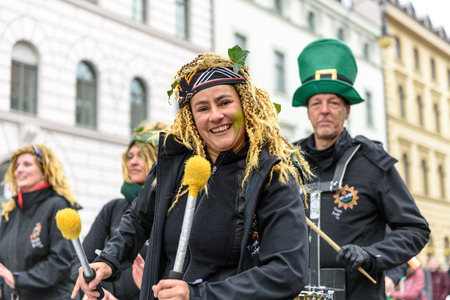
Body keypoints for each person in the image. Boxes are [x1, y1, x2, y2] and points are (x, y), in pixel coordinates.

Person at [72, 47, 311, 300]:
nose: (216, 116)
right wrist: (109, 261)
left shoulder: (273, 177)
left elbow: (287, 273)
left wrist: (197, 294)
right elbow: (139, 218)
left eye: (225, 102)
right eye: (203, 108)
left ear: (245, 105)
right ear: (191, 117)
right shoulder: (175, 163)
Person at [291, 38, 430, 300]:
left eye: (333, 103)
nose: (324, 111)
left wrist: (372, 255)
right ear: (308, 111)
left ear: (347, 110)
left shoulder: (373, 163)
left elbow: (415, 230)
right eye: (316, 103)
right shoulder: (288, 163)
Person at [74, 121, 168, 299]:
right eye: (130, 156)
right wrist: (93, 291)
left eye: (142, 155)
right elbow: (82, 261)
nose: (133, 161)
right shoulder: (113, 209)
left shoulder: (169, 210)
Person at [0, 144, 81, 299]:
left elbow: (61, 262)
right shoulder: (9, 213)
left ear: (45, 170)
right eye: (17, 166)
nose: (19, 170)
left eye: (27, 164)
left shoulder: (58, 206)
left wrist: (17, 279)